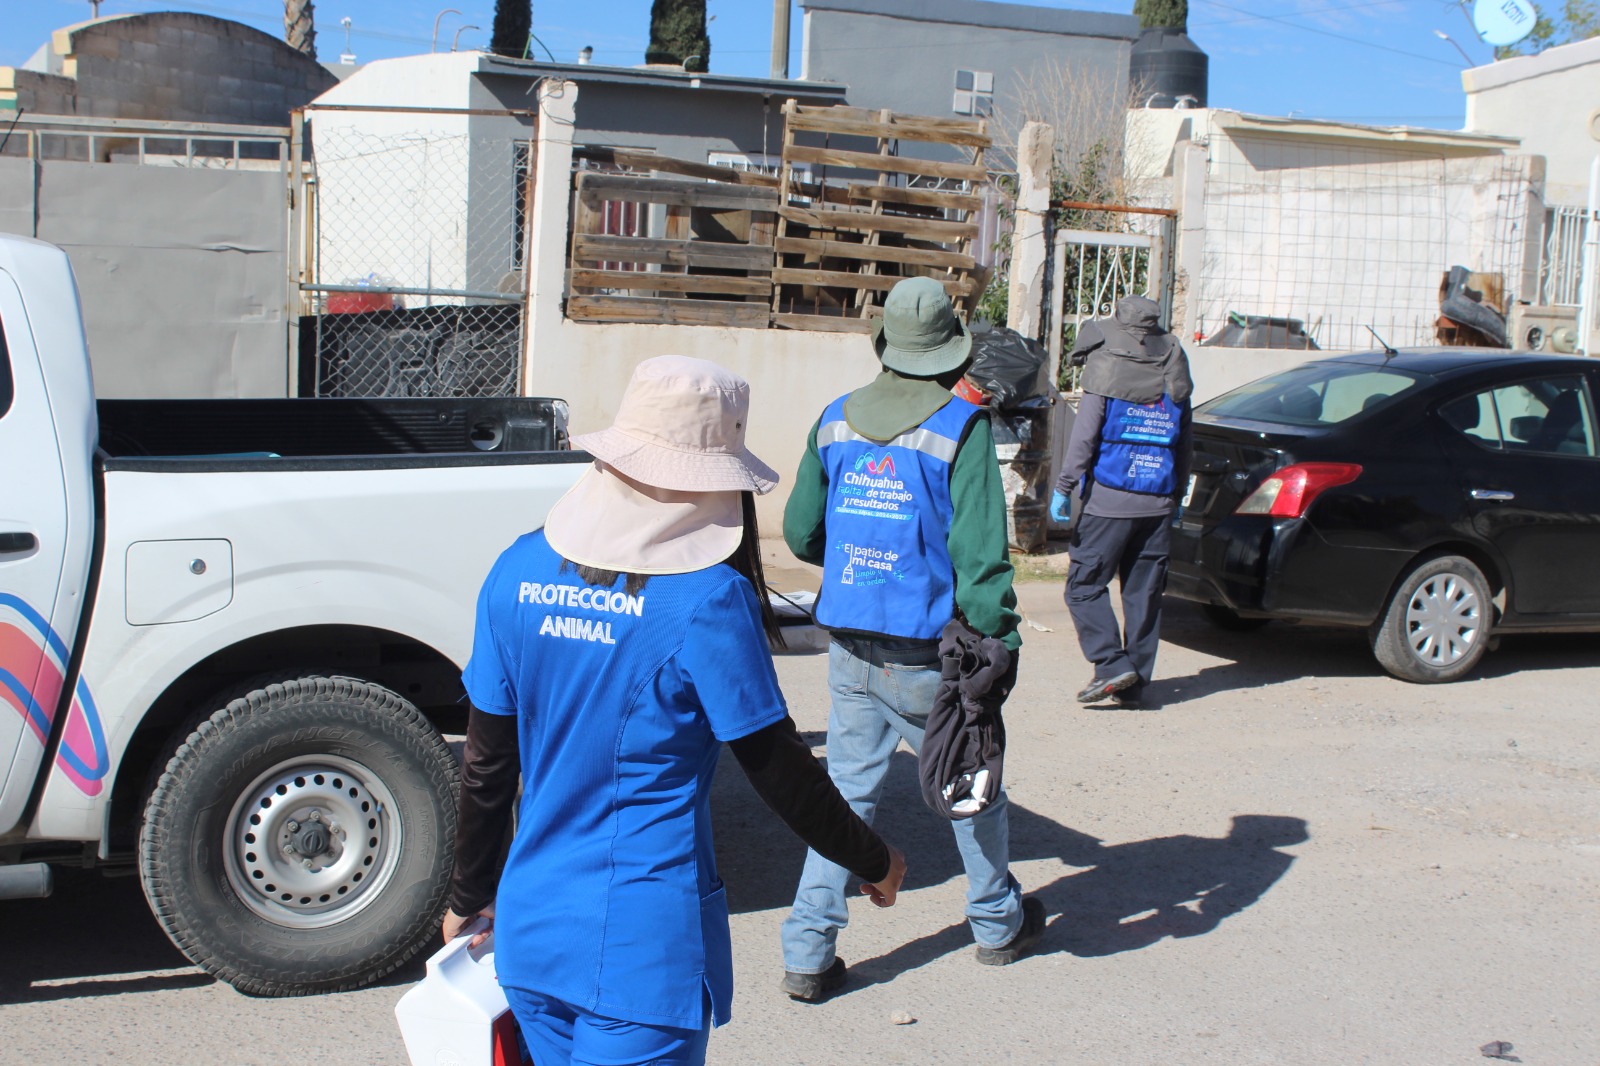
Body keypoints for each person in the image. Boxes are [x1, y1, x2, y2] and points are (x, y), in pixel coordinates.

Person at [442, 355, 906, 1066]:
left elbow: (487, 764)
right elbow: (777, 768)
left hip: (529, 934)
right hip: (639, 954)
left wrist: (467, 894)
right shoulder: (708, 600)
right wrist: (873, 860)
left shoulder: (517, 569)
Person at [779, 276, 1043, 1003]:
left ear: (886, 343)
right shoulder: (962, 427)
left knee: (846, 796)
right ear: (949, 349)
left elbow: (801, 532)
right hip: (930, 659)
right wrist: (1000, 643)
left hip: (849, 649)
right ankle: (997, 924)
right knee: (970, 785)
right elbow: (981, 560)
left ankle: (807, 951)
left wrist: (858, 556)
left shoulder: (834, 420)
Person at [1051, 294, 1194, 709]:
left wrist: (1064, 486)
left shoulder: (1106, 366)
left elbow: (1085, 437)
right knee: (1143, 595)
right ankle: (1135, 685)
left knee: (1083, 587)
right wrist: (1177, 494)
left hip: (1109, 505)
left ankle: (1112, 665)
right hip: (1158, 503)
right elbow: (1185, 444)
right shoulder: (1175, 366)